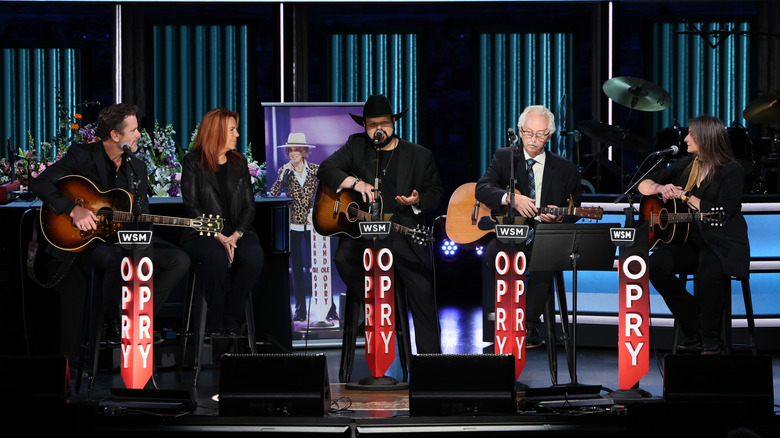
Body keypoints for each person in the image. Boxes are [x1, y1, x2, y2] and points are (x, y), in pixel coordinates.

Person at [30, 103, 190, 345]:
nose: (139, 134)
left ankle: (138, 321)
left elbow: (141, 213)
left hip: (122, 237)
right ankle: (113, 322)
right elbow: (40, 184)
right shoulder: (83, 155)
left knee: (178, 260)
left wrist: (142, 238)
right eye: (134, 130)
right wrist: (74, 209)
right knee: (121, 260)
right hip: (87, 241)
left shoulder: (136, 167)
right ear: (115, 135)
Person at [317, 94, 444, 354]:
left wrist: (417, 200)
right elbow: (326, 169)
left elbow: (436, 193)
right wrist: (356, 183)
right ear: (364, 126)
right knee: (343, 258)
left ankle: (432, 364)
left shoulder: (419, 155)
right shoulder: (356, 145)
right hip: (364, 237)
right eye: (373, 124)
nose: (379, 129)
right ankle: (377, 306)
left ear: (393, 123)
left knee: (422, 290)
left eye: (384, 123)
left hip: (404, 236)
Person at [638, 115, 749, 355]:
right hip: (690, 241)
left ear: (707, 139)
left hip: (722, 243)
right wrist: (660, 188)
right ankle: (694, 328)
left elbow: (721, 212)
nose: (686, 138)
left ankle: (711, 337)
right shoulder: (686, 164)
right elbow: (642, 185)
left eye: (691, 134)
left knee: (708, 267)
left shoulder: (732, 170)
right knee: (655, 263)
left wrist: (684, 196)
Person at [475, 105, 582, 348]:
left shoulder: (565, 168)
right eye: (529, 133)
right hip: (511, 233)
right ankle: (507, 318)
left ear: (550, 136)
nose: (534, 140)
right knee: (494, 252)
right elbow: (482, 188)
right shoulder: (505, 157)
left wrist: (560, 218)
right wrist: (511, 198)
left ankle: (529, 324)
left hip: (544, 235)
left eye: (541, 134)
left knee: (545, 258)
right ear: (520, 132)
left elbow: (576, 207)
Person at [180, 108, 265, 337]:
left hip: (236, 230)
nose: (237, 134)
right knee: (216, 256)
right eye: (232, 130)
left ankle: (232, 316)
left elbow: (249, 205)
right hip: (202, 232)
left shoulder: (239, 163)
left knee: (253, 256)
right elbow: (192, 207)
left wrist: (236, 235)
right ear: (216, 132)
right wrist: (219, 236)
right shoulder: (192, 162)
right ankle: (214, 323)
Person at [269, 133, 336, 321]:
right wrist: (282, 176)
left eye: (296, 150)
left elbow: (328, 194)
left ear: (303, 152)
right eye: (290, 150)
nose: (293, 153)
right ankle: (300, 311)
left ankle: (329, 308)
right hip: (294, 227)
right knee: (297, 269)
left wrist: (316, 210)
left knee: (320, 267)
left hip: (313, 226)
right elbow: (273, 194)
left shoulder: (316, 170)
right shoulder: (285, 171)